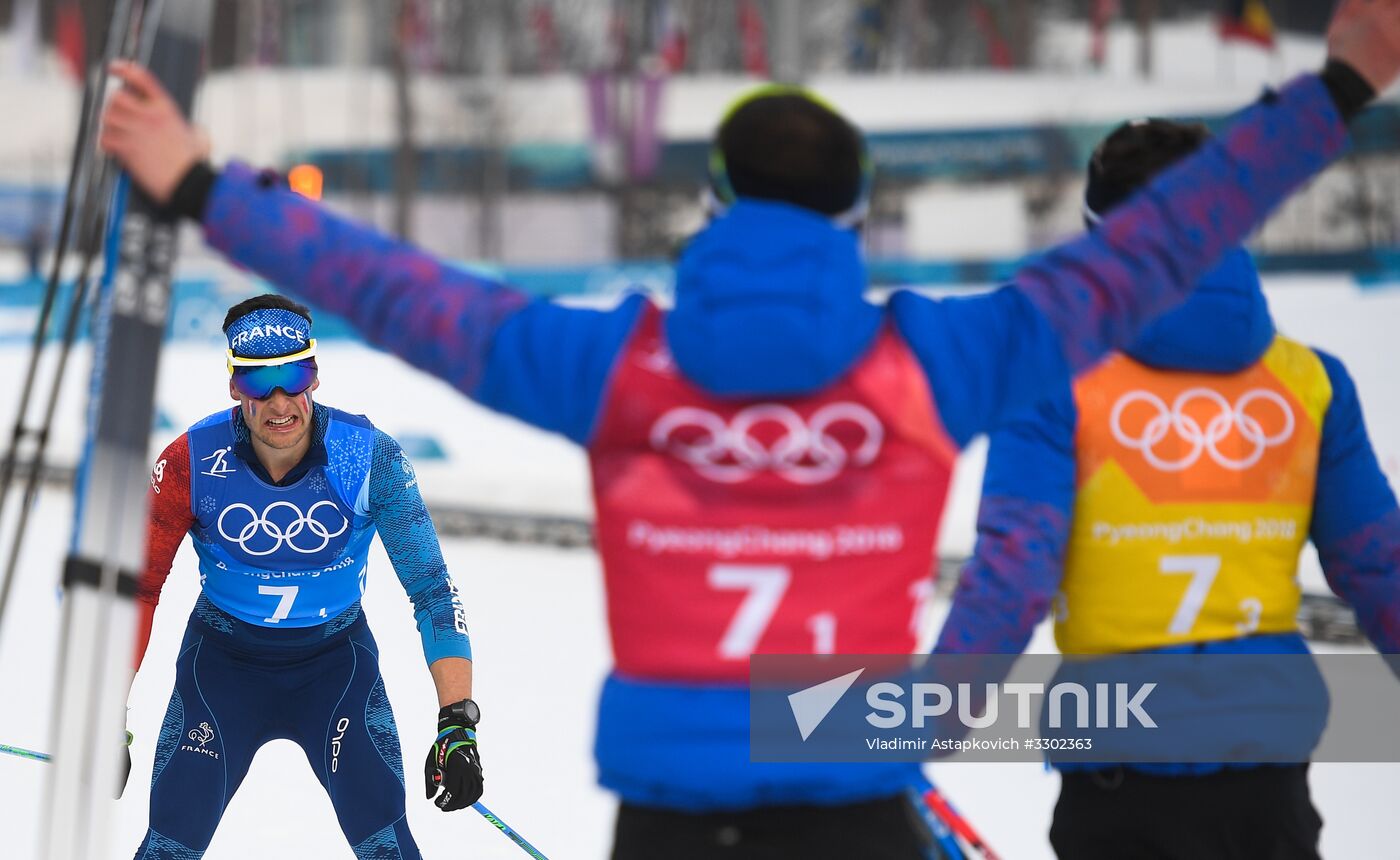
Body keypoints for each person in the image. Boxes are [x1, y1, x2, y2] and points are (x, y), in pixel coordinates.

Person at [100, 2, 1400, 855]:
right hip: (855, 808)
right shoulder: (930, 362)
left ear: (712, 208)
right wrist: (1338, 84)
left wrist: (203, 183)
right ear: (855, 218)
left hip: (673, 815)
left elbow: (403, 292)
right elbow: (1154, 246)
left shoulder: (618, 367)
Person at [934, 116, 1400, 859]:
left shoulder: (1054, 383)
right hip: (1269, 792)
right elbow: (1380, 567)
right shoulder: (1310, 384)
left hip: (1121, 785)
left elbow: (1014, 577)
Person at [131, 294, 483, 859]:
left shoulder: (366, 457)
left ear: (314, 376)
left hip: (334, 669)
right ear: (234, 386)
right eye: (258, 382)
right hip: (222, 668)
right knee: (170, 842)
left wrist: (458, 723)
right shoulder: (189, 462)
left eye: (293, 377)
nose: (279, 403)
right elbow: (139, 590)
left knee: (387, 843)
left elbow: (433, 592)